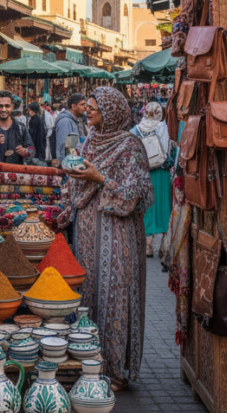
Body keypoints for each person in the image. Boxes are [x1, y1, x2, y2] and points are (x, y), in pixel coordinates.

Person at [61, 87, 152, 392]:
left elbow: (138, 194)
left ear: (111, 113)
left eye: (93, 109)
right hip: (88, 231)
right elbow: (76, 186)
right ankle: (89, 363)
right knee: (89, 294)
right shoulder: (90, 141)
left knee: (114, 295)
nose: (87, 112)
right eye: (86, 107)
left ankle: (114, 370)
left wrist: (99, 179)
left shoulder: (130, 146)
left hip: (118, 233)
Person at [130, 102, 172, 257]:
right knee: (163, 207)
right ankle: (163, 246)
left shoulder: (137, 129)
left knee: (147, 207)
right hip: (161, 173)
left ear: (145, 112)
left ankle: (148, 246)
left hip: (145, 173)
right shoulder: (163, 127)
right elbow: (168, 150)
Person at [52, 92, 88, 164]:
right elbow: (64, 148)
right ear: (74, 106)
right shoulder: (65, 121)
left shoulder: (78, 120)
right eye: (82, 105)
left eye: (85, 104)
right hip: (69, 166)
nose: (85, 107)